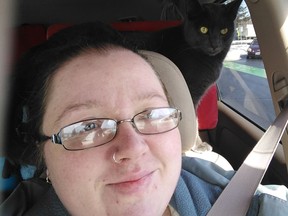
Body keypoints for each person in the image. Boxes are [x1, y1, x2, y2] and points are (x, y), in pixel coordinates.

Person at [1, 22, 288, 216]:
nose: (134, 147)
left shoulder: (241, 197)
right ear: (43, 155)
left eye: (151, 114)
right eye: (88, 126)